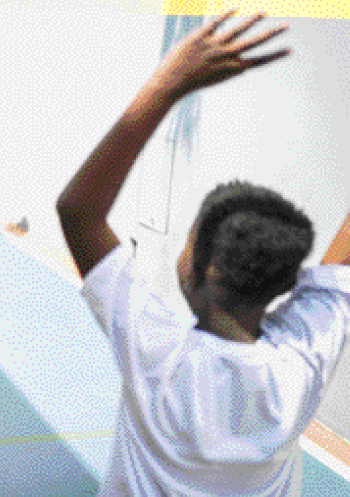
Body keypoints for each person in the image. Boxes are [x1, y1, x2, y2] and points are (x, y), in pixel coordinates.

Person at [56, 11, 350, 495]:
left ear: (201, 272)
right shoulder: (301, 362)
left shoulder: (156, 350)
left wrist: (168, 85)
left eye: (188, 242)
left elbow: (78, 211)